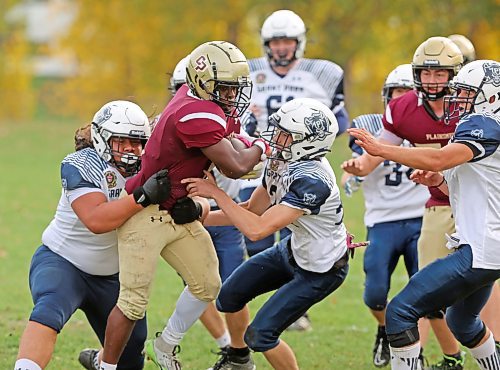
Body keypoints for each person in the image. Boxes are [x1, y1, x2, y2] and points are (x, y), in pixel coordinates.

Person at [99, 41, 268, 370]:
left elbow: (235, 145)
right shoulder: (195, 113)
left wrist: (250, 146)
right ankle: (106, 367)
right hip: (144, 213)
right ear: (204, 82)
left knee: (208, 283)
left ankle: (166, 344)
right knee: (133, 304)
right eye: (226, 89)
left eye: (235, 89)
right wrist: (262, 145)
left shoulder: (200, 101)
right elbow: (235, 165)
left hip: (178, 210)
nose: (233, 96)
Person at [183, 98, 367, 370]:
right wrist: (201, 218)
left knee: (261, 335)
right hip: (293, 250)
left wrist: (216, 194)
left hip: (322, 269)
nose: (275, 139)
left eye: (284, 134)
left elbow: (257, 230)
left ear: (307, 141)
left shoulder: (312, 181)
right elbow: (251, 210)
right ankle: (239, 361)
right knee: (228, 297)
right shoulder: (282, 162)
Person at [347, 59, 500, 370]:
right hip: (487, 245)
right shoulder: (481, 126)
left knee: (400, 311)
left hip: (483, 247)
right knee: (462, 321)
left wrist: (382, 149)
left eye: (468, 93)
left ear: (492, 97)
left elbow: (439, 157)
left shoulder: (485, 124)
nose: (459, 100)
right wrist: (439, 182)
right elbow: (472, 186)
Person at [14, 100, 172, 370]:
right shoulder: (81, 164)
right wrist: (143, 196)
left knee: (131, 355)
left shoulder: (150, 166)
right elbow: (97, 220)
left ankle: (99, 361)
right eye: (122, 141)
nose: (131, 150)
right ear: (102, 139)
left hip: (113, 275)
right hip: (64, 262)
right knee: (49, 310)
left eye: (137, 142)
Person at [240, 9, 350, 331]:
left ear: (299, 42)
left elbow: (339, 118)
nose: (282, 48)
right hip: (262, 158)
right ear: (266, 44)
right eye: (276, 42)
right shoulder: (250, 72)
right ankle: (284, 299)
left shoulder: (323, 73)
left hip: (301, 162)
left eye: (287, 40)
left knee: (294, 229)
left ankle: (294, 306)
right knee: (256, 237)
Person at [168, 56, 256, 370]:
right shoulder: (175, 124)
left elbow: (241, 165)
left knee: (234, 288)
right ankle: (226, 346)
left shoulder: (226, 120)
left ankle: (238, 350)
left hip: (224, 213)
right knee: (196, 285)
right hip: (187, 214)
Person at [341, 64, 428, 368]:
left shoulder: (429, 125)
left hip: (422, 218)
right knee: (374, 294)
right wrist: (351, 174)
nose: (401, 97)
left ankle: (415, 347)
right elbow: (356, 168)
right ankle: (383, 328)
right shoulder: (374, 127)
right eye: (396, 92)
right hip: (382, 221)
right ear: (386, 96)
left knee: (426, 291)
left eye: (407, 91)